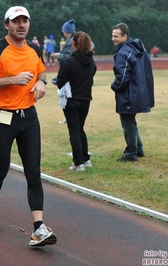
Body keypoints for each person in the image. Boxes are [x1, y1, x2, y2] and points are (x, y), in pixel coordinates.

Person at [0, 6, 57, 247]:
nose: (21, 25)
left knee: (33, 171)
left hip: (28, 117)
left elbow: (40, 72)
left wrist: (41, 83)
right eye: (16, 21)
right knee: (1, 169)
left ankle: (39, 229)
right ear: (6, 25)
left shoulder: (35, 48)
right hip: (2, 117)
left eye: (25, 21)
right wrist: (11, 79)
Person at [111, 23, 154, 162]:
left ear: (125, 36)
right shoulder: (138, 50)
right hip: (139, 92)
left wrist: (114, 86)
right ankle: (138, 148)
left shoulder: (123, 53)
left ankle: (131, 153)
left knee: (127, 123)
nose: (113, 38)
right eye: (112, 35)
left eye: (116, 36)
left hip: (129, 94)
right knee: (131, 121)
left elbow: (123, 76)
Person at [56, 31, 97, 171]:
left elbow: (60, 80)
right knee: (80, 129)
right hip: (86, 100)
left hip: (71, 100)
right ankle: (85, 159)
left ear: (74, 44)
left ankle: (78, 162)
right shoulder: (92, 63)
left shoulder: (68, 62)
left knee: (74, 131)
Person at [51, 19, 76, 124]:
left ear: (67, 31)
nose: (63, 32)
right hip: (68, 71)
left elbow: (69, 57)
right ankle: (69, 118)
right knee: (66, 95)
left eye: (63, 30)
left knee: (68, 95)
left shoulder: (72, 41)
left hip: (69, 72)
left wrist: (59, 56)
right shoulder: (70, 40)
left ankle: (70, 118)